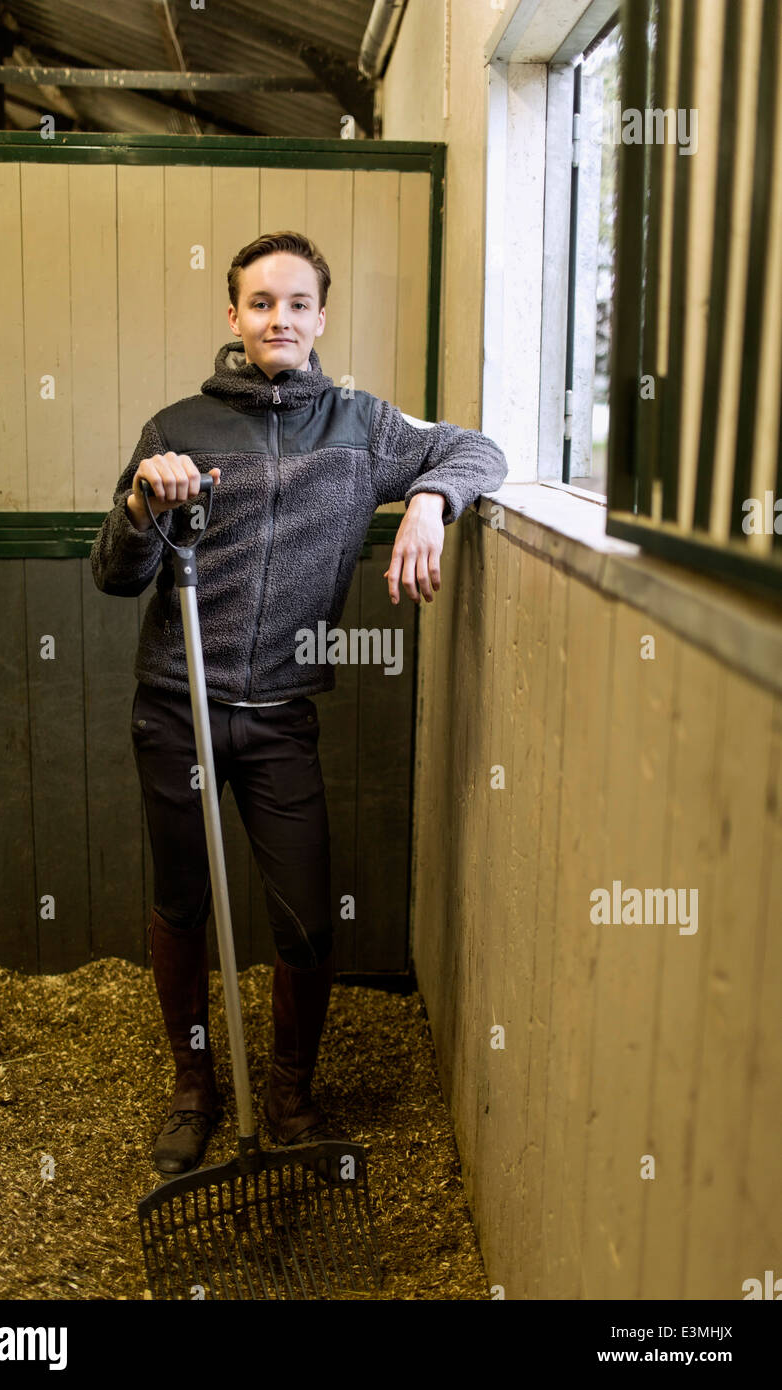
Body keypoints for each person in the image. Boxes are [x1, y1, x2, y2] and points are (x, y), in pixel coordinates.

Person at [90, 230, 508, 1175]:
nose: (280, 318)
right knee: (182, 901)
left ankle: (289, 1094)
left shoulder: (360, 428)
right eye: (261, 303)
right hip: (177, 706)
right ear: (234, 317)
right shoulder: (176, 427)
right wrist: (140, 509)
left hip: (281, 713)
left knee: (308, 916)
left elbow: (479, 449)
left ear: (322, 317)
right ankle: (195, 1088)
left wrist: (434, 499)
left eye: (298, 303)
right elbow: (115, 577)